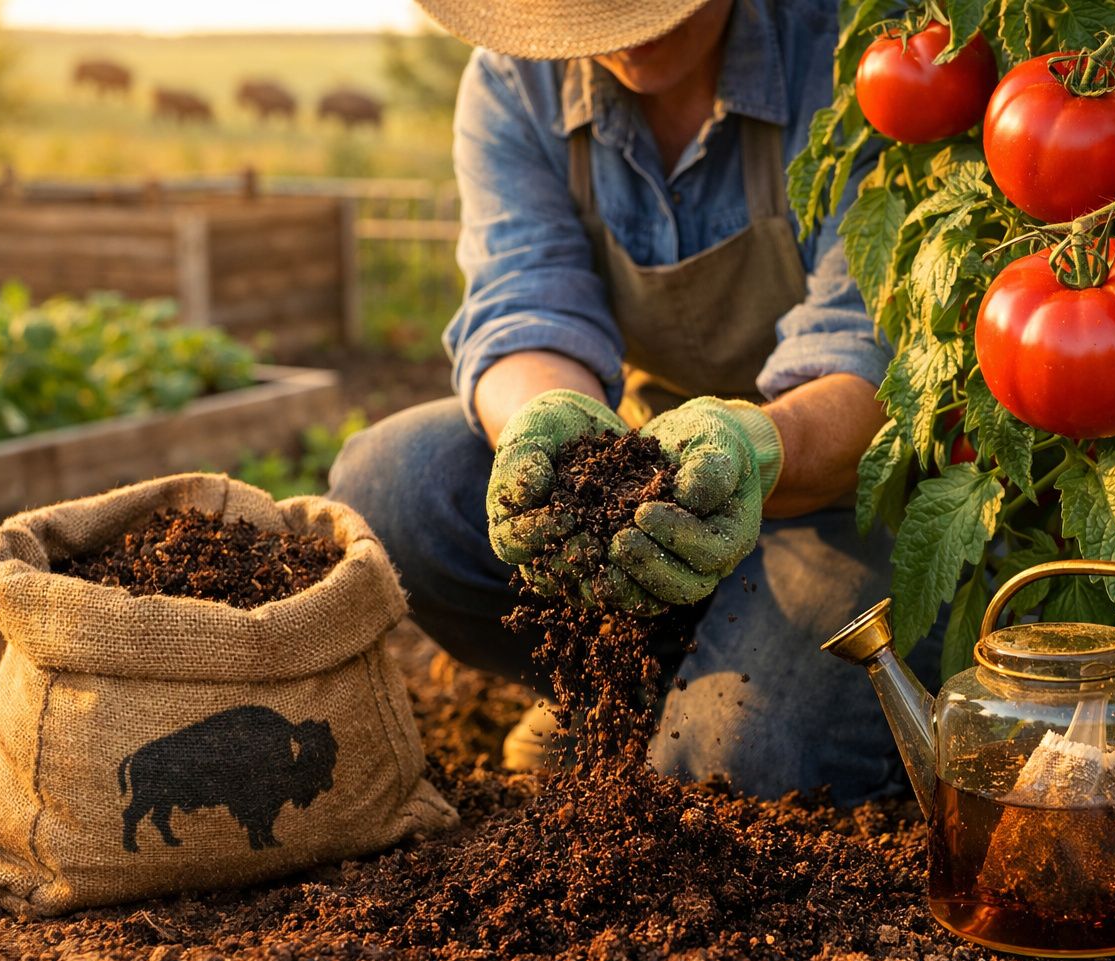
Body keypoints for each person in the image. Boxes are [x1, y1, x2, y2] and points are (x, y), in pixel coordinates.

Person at [329, 0, 907, 804]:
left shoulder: (859, 60)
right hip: (655, 456)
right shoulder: (515, 82)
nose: (627, 35)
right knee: (393, 480)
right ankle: (620, 691)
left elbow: (873, 357)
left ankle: (704, 692)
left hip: (835, 480)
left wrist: (755, 448)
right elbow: (524, 301)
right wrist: (549, 433)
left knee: (739, 768)